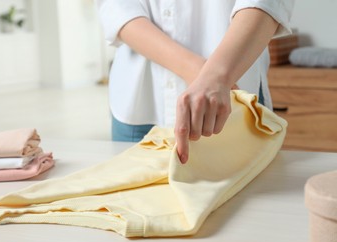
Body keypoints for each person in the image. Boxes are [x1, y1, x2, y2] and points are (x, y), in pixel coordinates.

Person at [97, 0, 295, 164]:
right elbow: (116, 7)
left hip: (232, 101)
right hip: (140, 102)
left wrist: (217, 77)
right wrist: (200, 72)